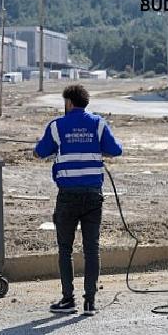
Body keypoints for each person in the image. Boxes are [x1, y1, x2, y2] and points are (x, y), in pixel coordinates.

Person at [32, 84, 123, 316]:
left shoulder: (57, 126)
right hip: (93, 195)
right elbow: (116, 150)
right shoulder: (98, 123)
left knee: (65, 249)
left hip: (68, 197)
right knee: (92, 249)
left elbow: (40, 152)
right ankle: (90, 303)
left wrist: (41, 150)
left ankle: (68, 300)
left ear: (69, 103)